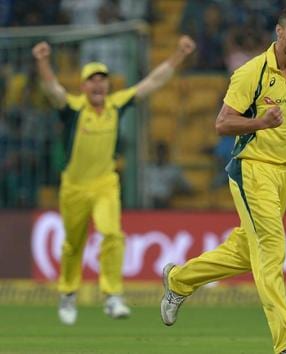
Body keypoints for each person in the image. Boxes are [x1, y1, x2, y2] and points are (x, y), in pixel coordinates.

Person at [160, 7, 286, 354]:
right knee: (272, 248)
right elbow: (222, 123)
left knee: (246, 252)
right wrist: (260, 122)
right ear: (279, 32)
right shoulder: (251, 73)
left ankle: (178, 280)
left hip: (283, 173)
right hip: (251, 168)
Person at [32, 35, 196, 325]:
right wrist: (43, 61)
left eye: (103, 80)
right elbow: (52, 89)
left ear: (108, 85)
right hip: (73, 186)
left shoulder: (115, 105)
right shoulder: (73, 108)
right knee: (73, 243)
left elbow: (153, 83)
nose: (98, 85)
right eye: (92, 80)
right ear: (84, 86)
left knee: (112, 234)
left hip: (105, 183)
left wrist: (178, 55)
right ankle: (68, 294)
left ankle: (112, 296)